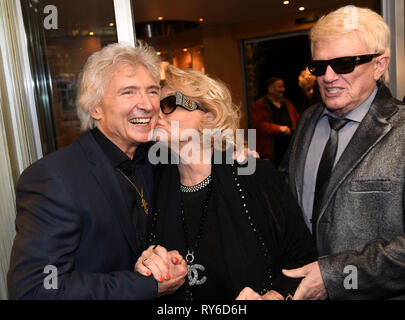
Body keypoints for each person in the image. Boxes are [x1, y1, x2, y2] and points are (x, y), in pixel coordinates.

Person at [7, 42, 187, 299]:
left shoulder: (154, 158)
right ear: (95, 108)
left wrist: (236, 158)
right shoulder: (54, 178)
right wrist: (145, 286)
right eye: (128, 92)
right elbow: (36, 290)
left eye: (152, 91)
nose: (147, 104)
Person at [135, 64, 315, 300]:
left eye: (168, 104)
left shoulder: (252, 174)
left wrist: (275, 296)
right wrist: (147, 266)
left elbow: (301, 260)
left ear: (208, 116)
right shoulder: (149, 181)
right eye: (154, 104)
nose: (155, 112)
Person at [278, 6, 405, 299]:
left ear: (380, 64)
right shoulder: (309, 121)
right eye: (319, 67)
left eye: (344, 63)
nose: (328, 77)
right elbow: (286, 198)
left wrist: (335, 276)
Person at [250, 77, 299, 167]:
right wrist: (279, 129)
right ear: (270, 89)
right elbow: (257, 124)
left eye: (283, 87)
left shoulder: (287, 103)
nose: (283, 89)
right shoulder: (260, 105)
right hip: (270, 152)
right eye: (279, 87)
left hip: (288, 150)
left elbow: (297, 119)